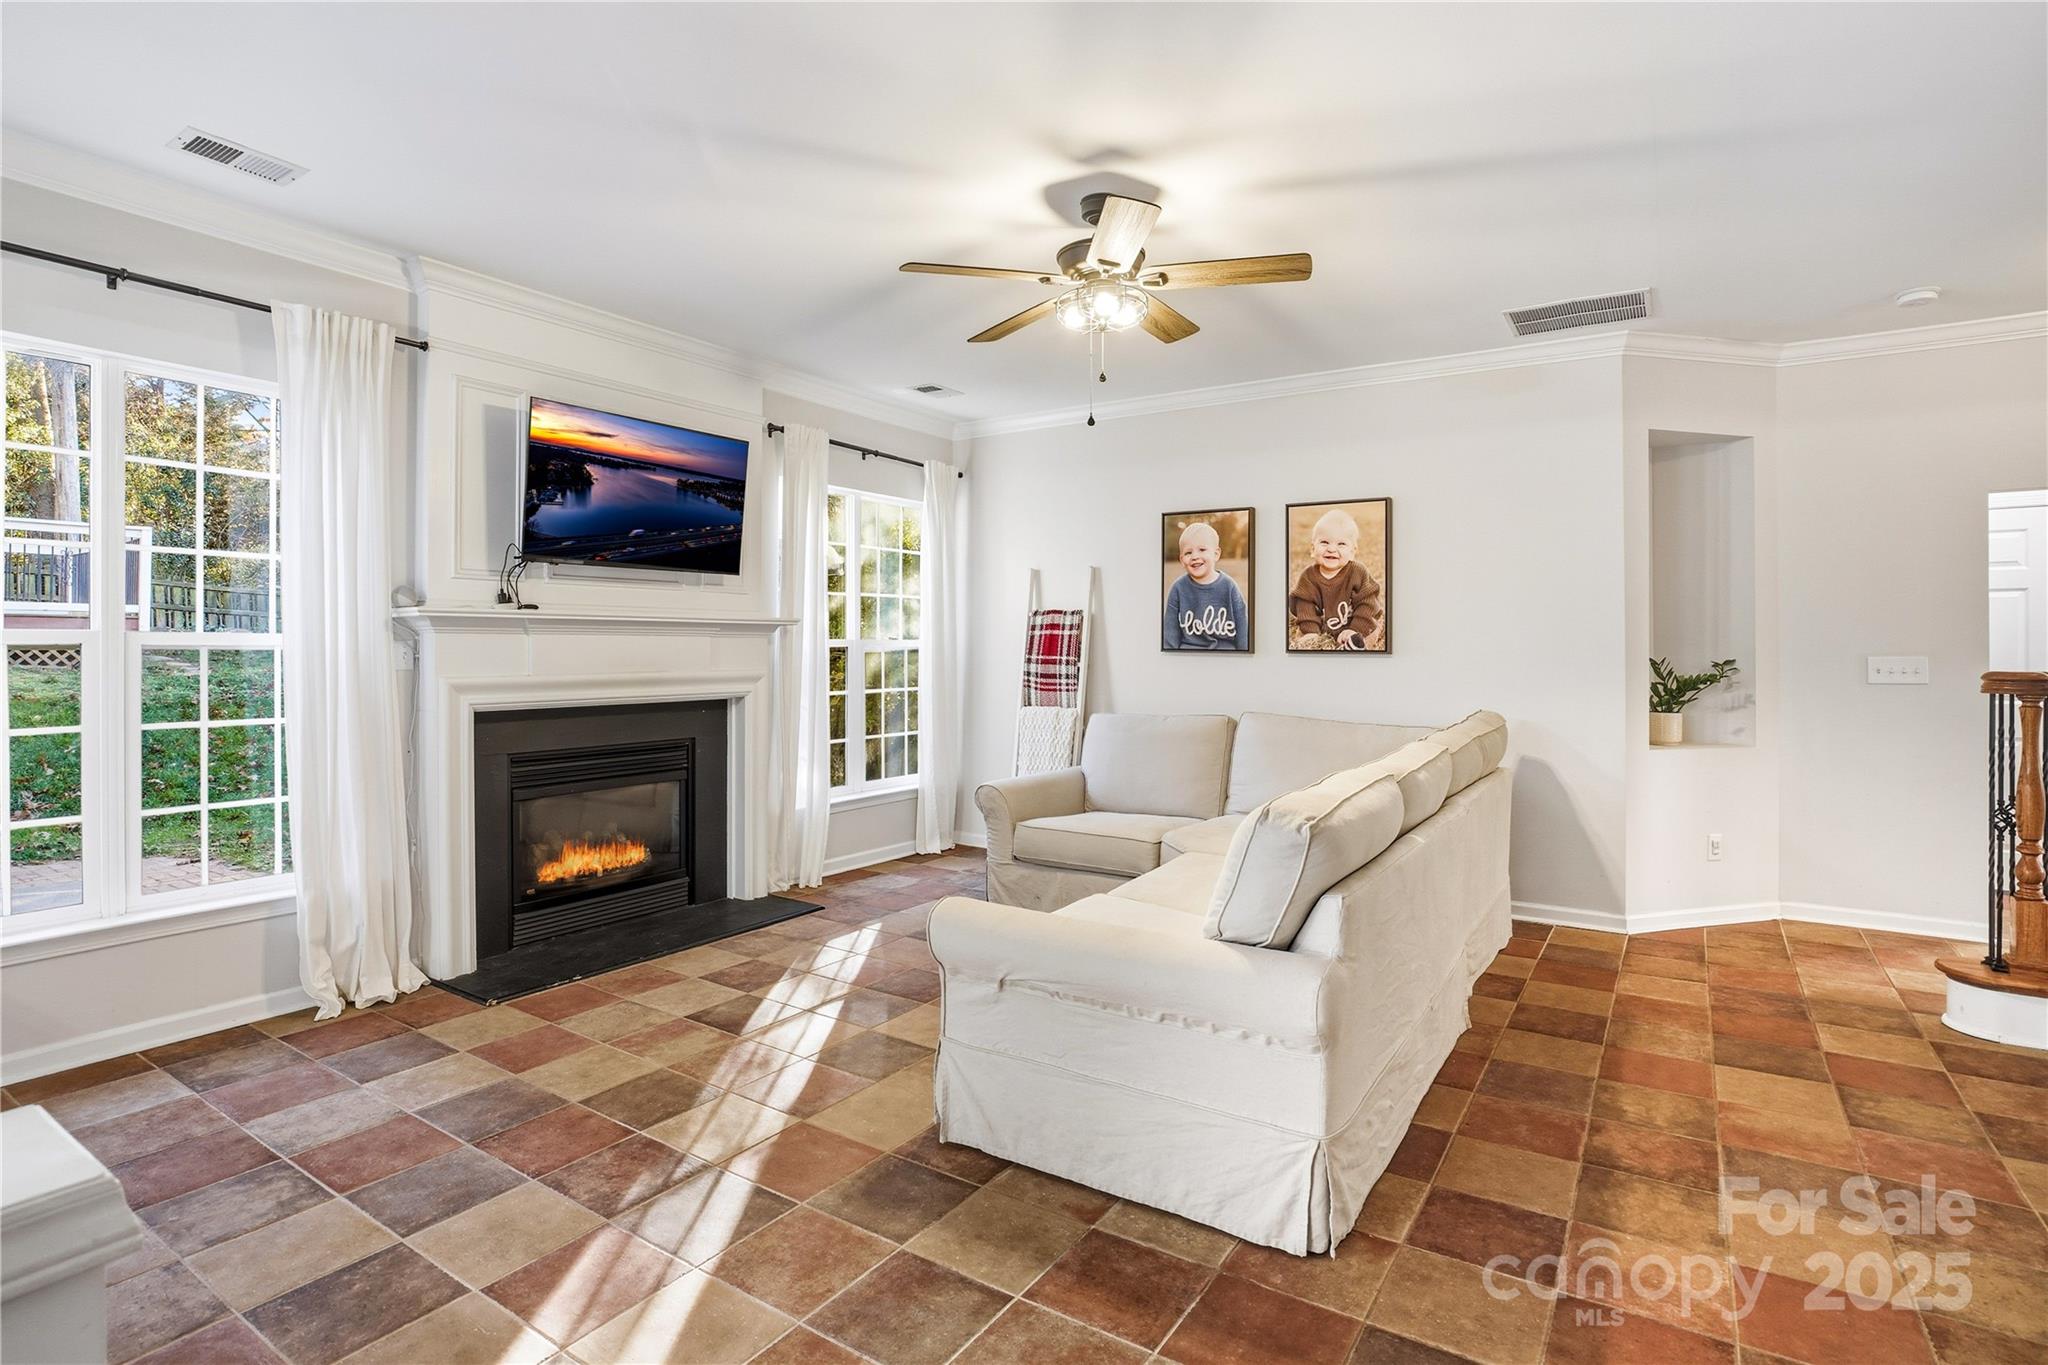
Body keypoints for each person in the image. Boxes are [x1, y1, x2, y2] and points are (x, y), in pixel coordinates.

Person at [1289, 507, 1382, 649]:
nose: (1332, 549)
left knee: (1372, 631)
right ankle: (1313, 640)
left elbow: (1368, 603)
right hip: (1324, 627)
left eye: (1341, 544)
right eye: (1324, 542)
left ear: (1353, 551)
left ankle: (1354, 645)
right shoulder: (1307, 577)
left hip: (1357, 624)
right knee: (1303, 638)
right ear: (1313, 549)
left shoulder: (1358, 572)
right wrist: (1311, 631)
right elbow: (1304, 606)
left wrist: (1354, 630)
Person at [1162, 520, 1249, 650]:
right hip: (1189, 654)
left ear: (1216, 554)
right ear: (1181, 559)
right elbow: (1170, 634)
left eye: (1202, 549)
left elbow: (1243, 629)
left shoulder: (1229, 586)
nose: (1195, 556)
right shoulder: (1178, 589)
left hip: (1226, 654)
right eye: (1188, 553)